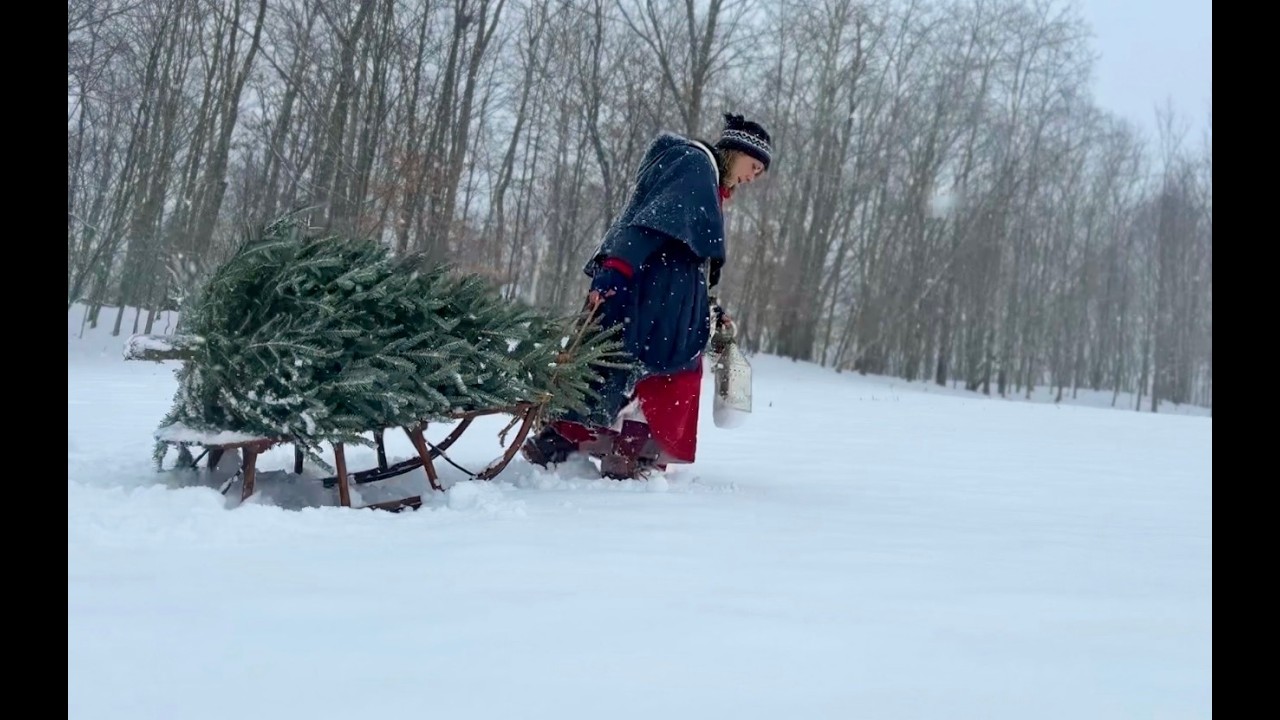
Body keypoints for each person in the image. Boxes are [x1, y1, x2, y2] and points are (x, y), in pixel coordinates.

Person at [523, 112, 773, 479]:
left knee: (629, 365)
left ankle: (580, 444)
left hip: (667, 295)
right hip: (655, 293)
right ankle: (622, 452)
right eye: (755, 165)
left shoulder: (705, 178)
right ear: (735, 151)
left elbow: (691, 251)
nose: (754, 176)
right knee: (658, 370)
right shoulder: (695, 165)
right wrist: (617, 270)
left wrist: (711, 308)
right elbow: (650, 224)